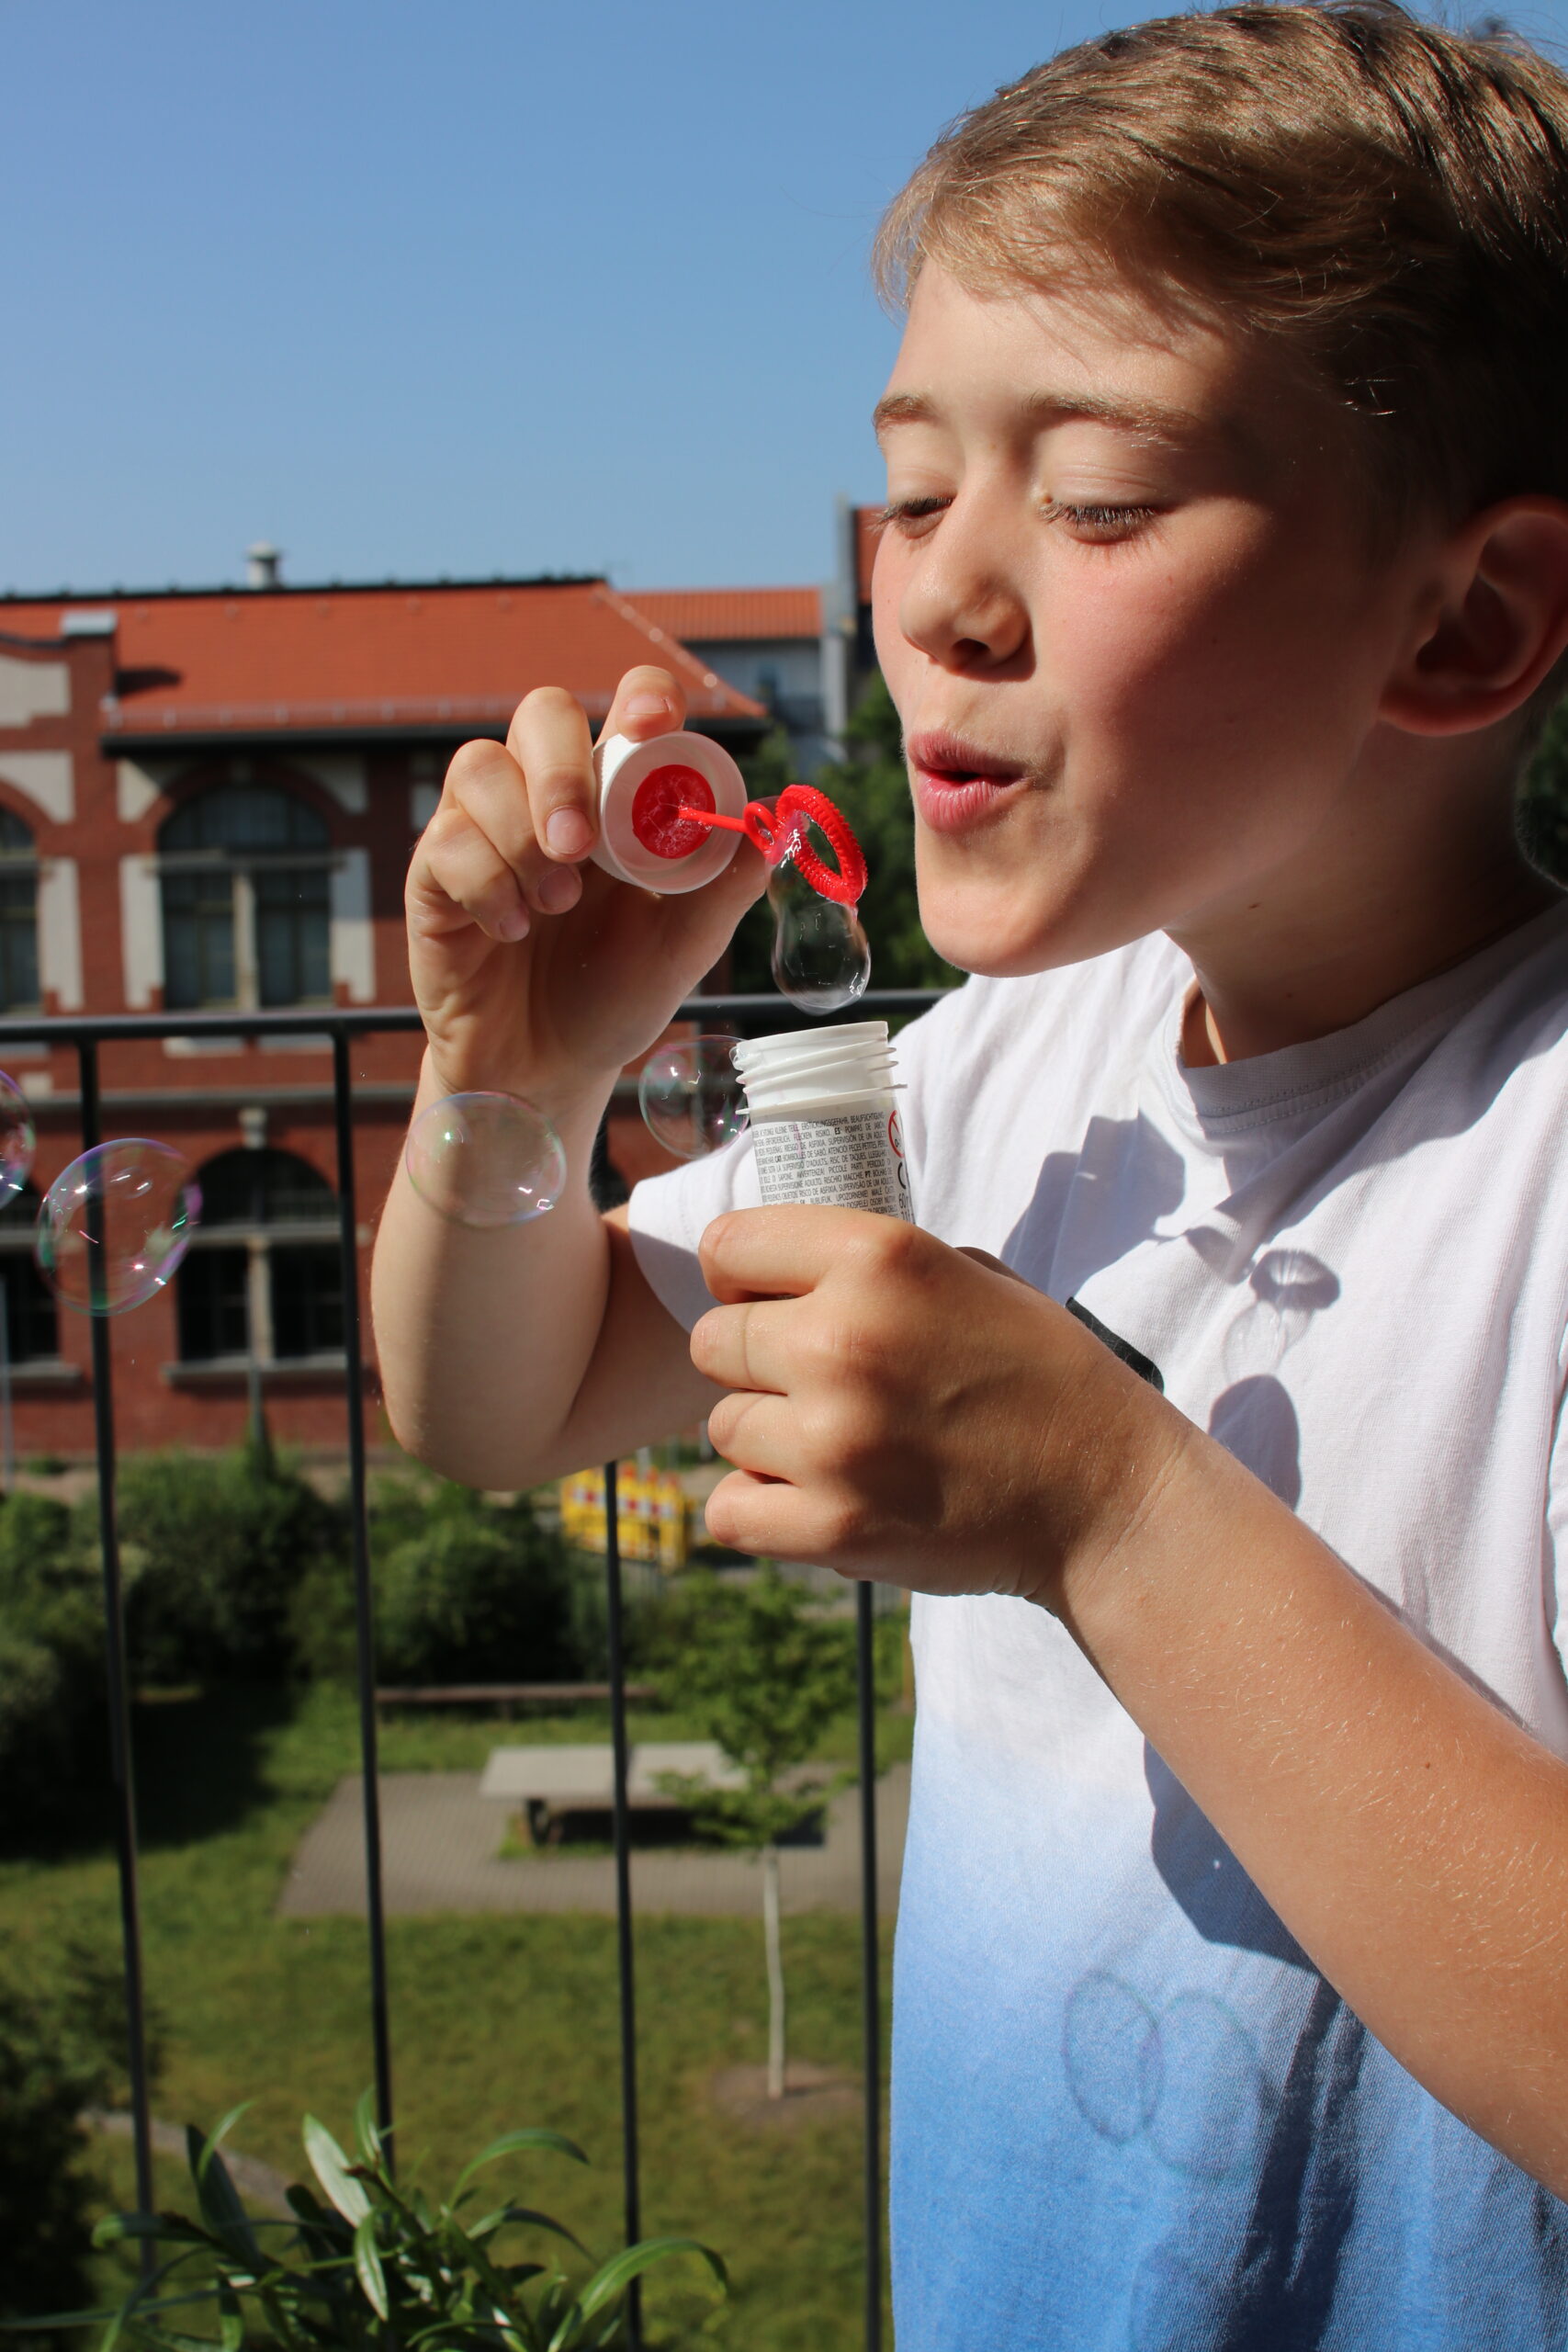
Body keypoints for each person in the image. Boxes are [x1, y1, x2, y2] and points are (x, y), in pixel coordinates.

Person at [373, 5, 1568, 2341]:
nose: (937, 590)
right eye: (916, 486)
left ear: (1465, 620)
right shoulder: (1017, 1065)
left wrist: (1111, 1509)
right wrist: (513, 1087)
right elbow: (504, 1398)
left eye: (1094, 494)